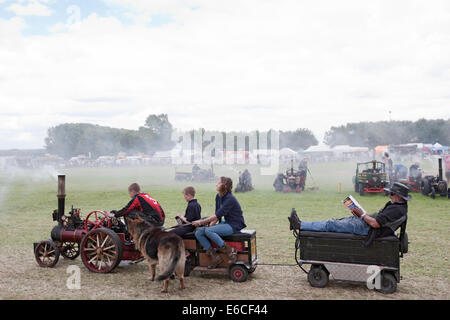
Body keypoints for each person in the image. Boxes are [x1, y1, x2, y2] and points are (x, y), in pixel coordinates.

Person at [291, 182, 411, 246]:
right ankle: (301, 224)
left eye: (392, 194)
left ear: (399, 196)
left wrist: (362, 215)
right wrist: (361, 214)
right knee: (335, 222)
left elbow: (375, 224)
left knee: (331, 224)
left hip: (367, 229)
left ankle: (300, 225)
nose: (389, 195)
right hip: (366, 225)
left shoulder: (396, 209)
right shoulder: (399, 207)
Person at [192, 177, 246, 269]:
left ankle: (231, 252)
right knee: (199, 232)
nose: (216, 184)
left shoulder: (230, 199)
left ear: (224, 186)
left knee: (208, 231)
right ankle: (215, 257)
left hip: (234, 224)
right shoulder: (218, 196)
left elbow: (217, 215)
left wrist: (201, 222)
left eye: (219, 183)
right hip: (226, 222)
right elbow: (217, 214)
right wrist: (211, 224)